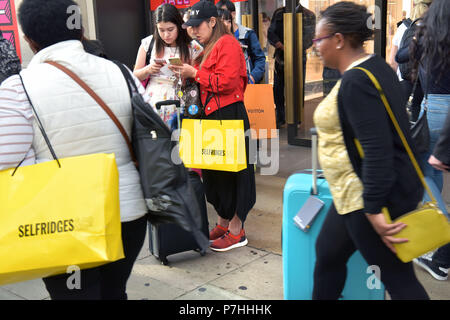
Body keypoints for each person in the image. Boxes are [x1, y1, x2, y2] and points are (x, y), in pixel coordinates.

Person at [3, 0, 153, 300]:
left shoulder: (17, 89)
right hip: (129, 215)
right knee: (114, 291)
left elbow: (7, 164)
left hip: (62, 223)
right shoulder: (121, 73)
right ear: (80, 28)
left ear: (29, 39)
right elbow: (155, 132)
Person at [312, 2, 429, 299]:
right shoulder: (375, 65)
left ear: (338, 39)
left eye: (318, 40)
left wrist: (375, 209)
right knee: (328, 254)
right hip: (353, 194)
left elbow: (377, 150)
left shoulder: (355, 82)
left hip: (370, 197)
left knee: (399, 280)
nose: (315, 48)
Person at [170, 0, 256, 252]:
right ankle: (222, 222)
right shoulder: (207, 46)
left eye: (197, 25)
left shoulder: (227, 43)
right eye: (190, 27)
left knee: (234, 174)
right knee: (215, 174)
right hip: (210, 115)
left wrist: (194, 73)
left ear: (212, 22)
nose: (193, 30)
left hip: (228, 115)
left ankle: (237, 231)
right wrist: (186, 73)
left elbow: (227, 82)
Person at [408, 0, 450, 282]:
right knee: (433, 171)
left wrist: (415, 36)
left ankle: (443, 244)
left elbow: (401, 58)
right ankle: (436, 240)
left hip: (435, 107)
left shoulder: (427, 35)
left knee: (420, 174)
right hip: (441, 108)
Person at [133, 3, 203, 124]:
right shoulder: (148, 43)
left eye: (170, 29)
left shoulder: (193, 47)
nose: (166, 35)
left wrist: (186, 74)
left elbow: (200, 76)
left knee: (179, 138)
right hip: (152, 101)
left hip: (182, 101)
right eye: (161, 30)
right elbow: (135, 75)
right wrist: (148, 69)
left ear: (179, 26)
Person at [268, 2, 315, 127]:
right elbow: (271, 33)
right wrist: (281, 45)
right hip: (281, 57)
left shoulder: (309, 15)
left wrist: (293, 48)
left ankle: (296, 118)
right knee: (278, 88)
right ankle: (281, 117)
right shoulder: (278, 13)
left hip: (299, 57)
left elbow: (309, 38)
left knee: (298, 87)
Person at [390, 0, 432, 122]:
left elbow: (394, 59)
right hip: (421, 77)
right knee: (417, 107)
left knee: (398, 110)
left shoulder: (403, 27)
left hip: (404, 77)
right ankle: (415, 134)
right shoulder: (430, 29)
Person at [216, 0, 266, 84]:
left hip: (246, 84)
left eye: (224, 13)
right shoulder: (214, 38)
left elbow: (259, 58)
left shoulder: (247, 34)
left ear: (233, 14)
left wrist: (252, 78)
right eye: (219, 14)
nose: (221, 16)